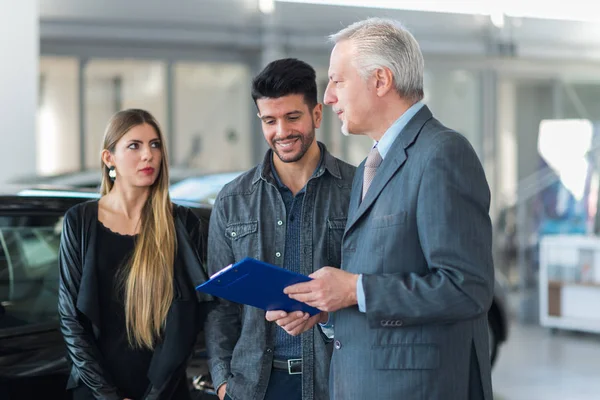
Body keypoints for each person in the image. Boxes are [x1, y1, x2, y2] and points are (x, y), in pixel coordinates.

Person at [279, 18, 495, 399]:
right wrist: (329, 311)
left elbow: (467, 288)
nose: (328, 97)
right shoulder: (370, 166)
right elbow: (384, 281)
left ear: (380, 80)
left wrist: (354, 290)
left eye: (337, 81)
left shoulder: (442, 154)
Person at [204, 58, 356, 400]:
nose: (282, 132)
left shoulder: (357, 190)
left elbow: (371, 286)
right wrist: (223, 382)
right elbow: (220, 306)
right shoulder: (232, 200)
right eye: (269, 121)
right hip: (253, 388)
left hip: (334, 384)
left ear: (316, 115)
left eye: (292, 117)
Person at [58, 109, 214, 400]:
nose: (148, 155)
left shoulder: (181, 223)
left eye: (155, 145)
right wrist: (107, 395)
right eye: (135, 146)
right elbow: (71, 318)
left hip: (164, 390)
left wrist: (155, 395)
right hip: (95, 389)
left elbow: (187, 321)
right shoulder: (80, 221)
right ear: (109, 158)